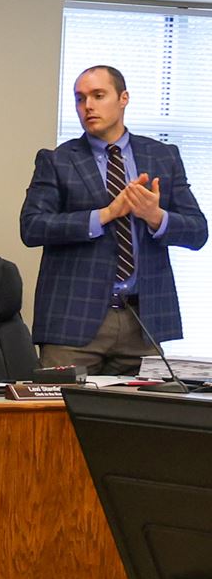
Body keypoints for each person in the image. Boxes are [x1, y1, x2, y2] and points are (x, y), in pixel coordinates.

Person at [21, 64, 210, 373]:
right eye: (80, 98)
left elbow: (197, 232)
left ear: (123, 98)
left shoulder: (163, 156)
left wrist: (156, 216)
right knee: (61, 417)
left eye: (98, 95)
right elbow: (32, 227)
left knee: (143, 418)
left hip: (143, 319)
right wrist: (106, 214)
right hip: (73, 324)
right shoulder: (57, 160)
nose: (88, 106)